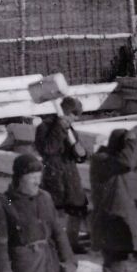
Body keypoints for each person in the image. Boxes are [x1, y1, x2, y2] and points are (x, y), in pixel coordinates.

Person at [84, 125, 137, 272]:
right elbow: (127, 161)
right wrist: (133, 139)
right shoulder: (105, 162)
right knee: (114, 270)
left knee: (114, 267)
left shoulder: (107, 162)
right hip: (112, 224)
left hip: (110, 222)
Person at [35, 96, 89, 253]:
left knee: (78, 207)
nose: (74, 119)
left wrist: (81, 153)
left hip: (70, 172)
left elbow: (76, 152)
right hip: (53, 172)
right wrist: (59, 128)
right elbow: (48, 149)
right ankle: (54, 244)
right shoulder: (45, 127)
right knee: (54, 210)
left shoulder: (70, 129)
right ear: (66, 112)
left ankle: (72, 242)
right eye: (73, 115)